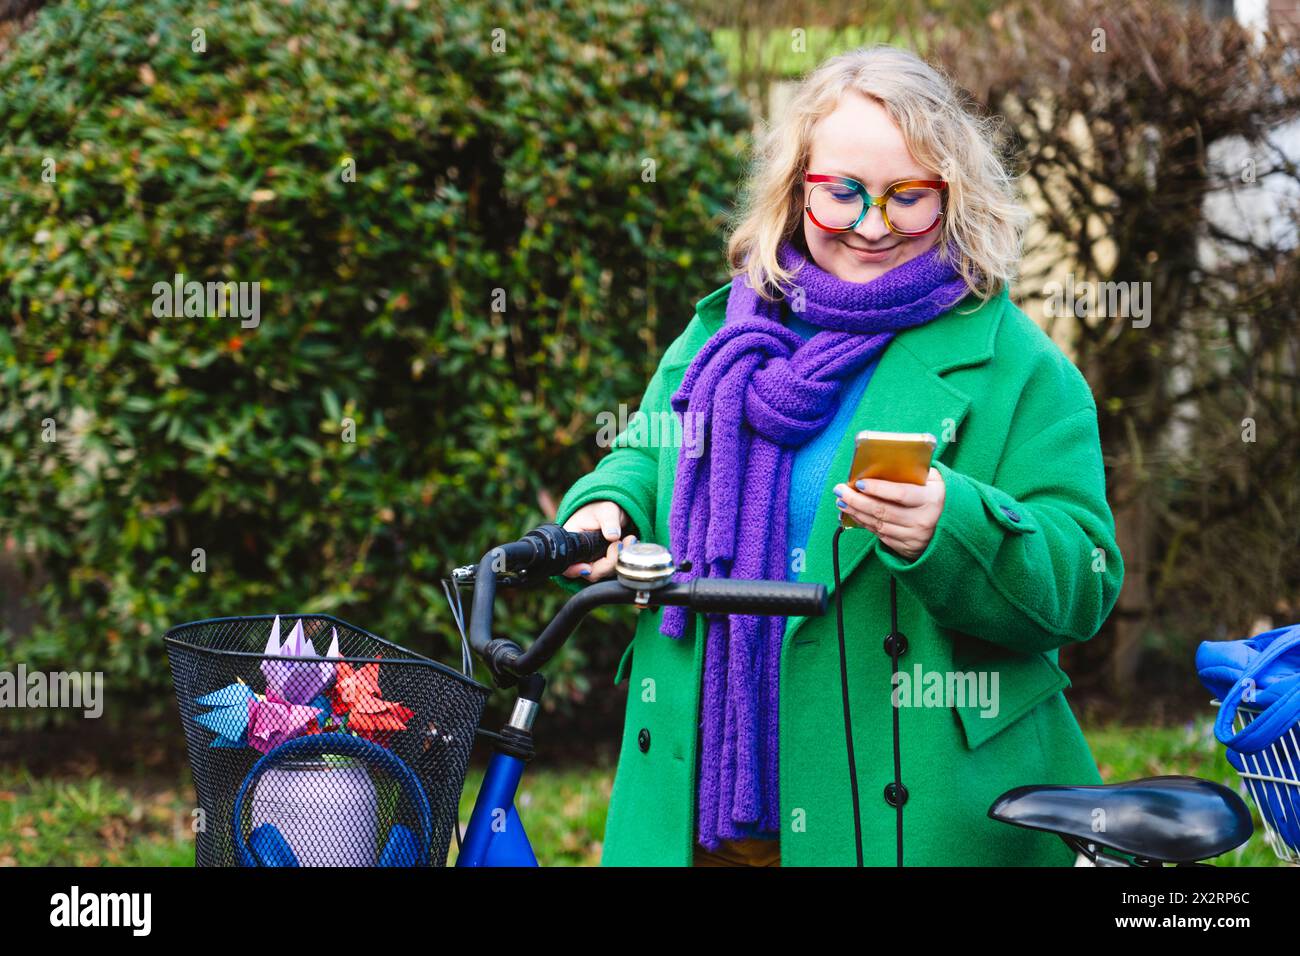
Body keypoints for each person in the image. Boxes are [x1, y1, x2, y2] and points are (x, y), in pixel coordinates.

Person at [553, 45, 1124, 867]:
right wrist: (608, 507)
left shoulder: (1020, 370)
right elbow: (649, 456)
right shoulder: (723, 336)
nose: (872, 225)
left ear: (952, 196)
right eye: (843, 193)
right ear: (798, 189)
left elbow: (1084, 579)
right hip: (703, 798)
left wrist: (950, 525)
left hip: (909, 804)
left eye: (907, 199)